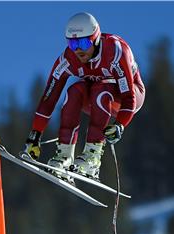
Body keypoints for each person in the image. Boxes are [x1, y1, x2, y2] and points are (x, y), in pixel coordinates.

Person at [24, 12, 145, 179]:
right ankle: (64, 156)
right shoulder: (68, 59)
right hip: (99, 97)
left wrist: (119, 124)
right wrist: (35, 134)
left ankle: (92, 159)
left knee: (101, 89)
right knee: (74, 91)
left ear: (95, 39)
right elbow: (49, 98)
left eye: (82, 42)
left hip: (127, 98)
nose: (78, 50)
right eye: (72, 43)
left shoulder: (115, 51)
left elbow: (129, 96)